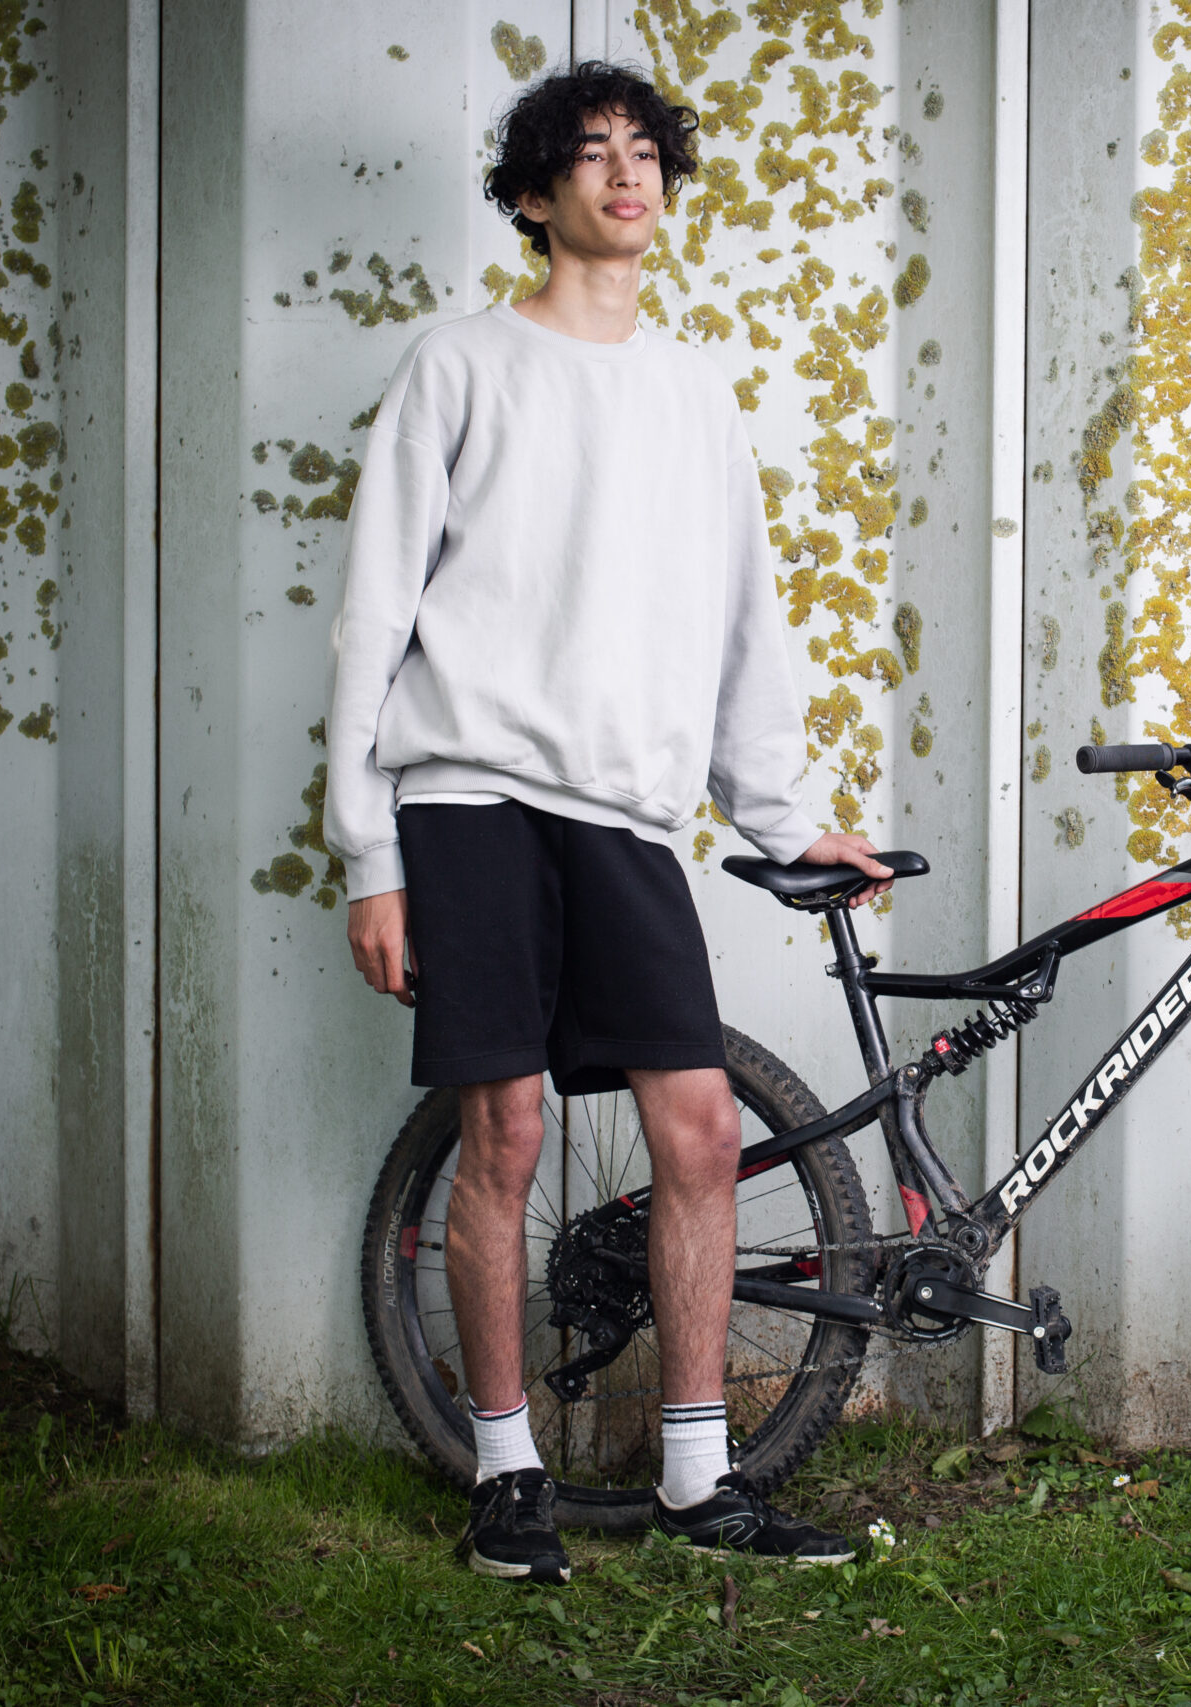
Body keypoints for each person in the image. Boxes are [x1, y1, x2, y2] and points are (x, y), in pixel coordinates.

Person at [324, 61, 893, 1586]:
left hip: (624, 814)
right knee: (502, 1133)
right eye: (590, 154)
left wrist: (786, 814)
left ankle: (701, 1477)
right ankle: (507, 1472)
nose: (626, 174)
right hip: (470, 798)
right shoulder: (458, 366)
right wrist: (370, 853)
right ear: (533, 195)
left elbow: (737, 628)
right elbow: (374, 617)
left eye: (647, 152)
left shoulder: (695, 391)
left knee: (698, 1129)